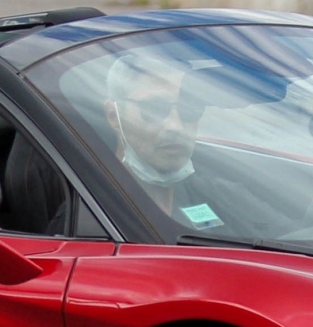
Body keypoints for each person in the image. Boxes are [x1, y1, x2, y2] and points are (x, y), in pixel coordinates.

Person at [98, 50, 249, 231]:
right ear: (113, 115)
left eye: (189, 108)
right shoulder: (93, 214)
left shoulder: (222, 195)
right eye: (154, 108)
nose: (175, 126)